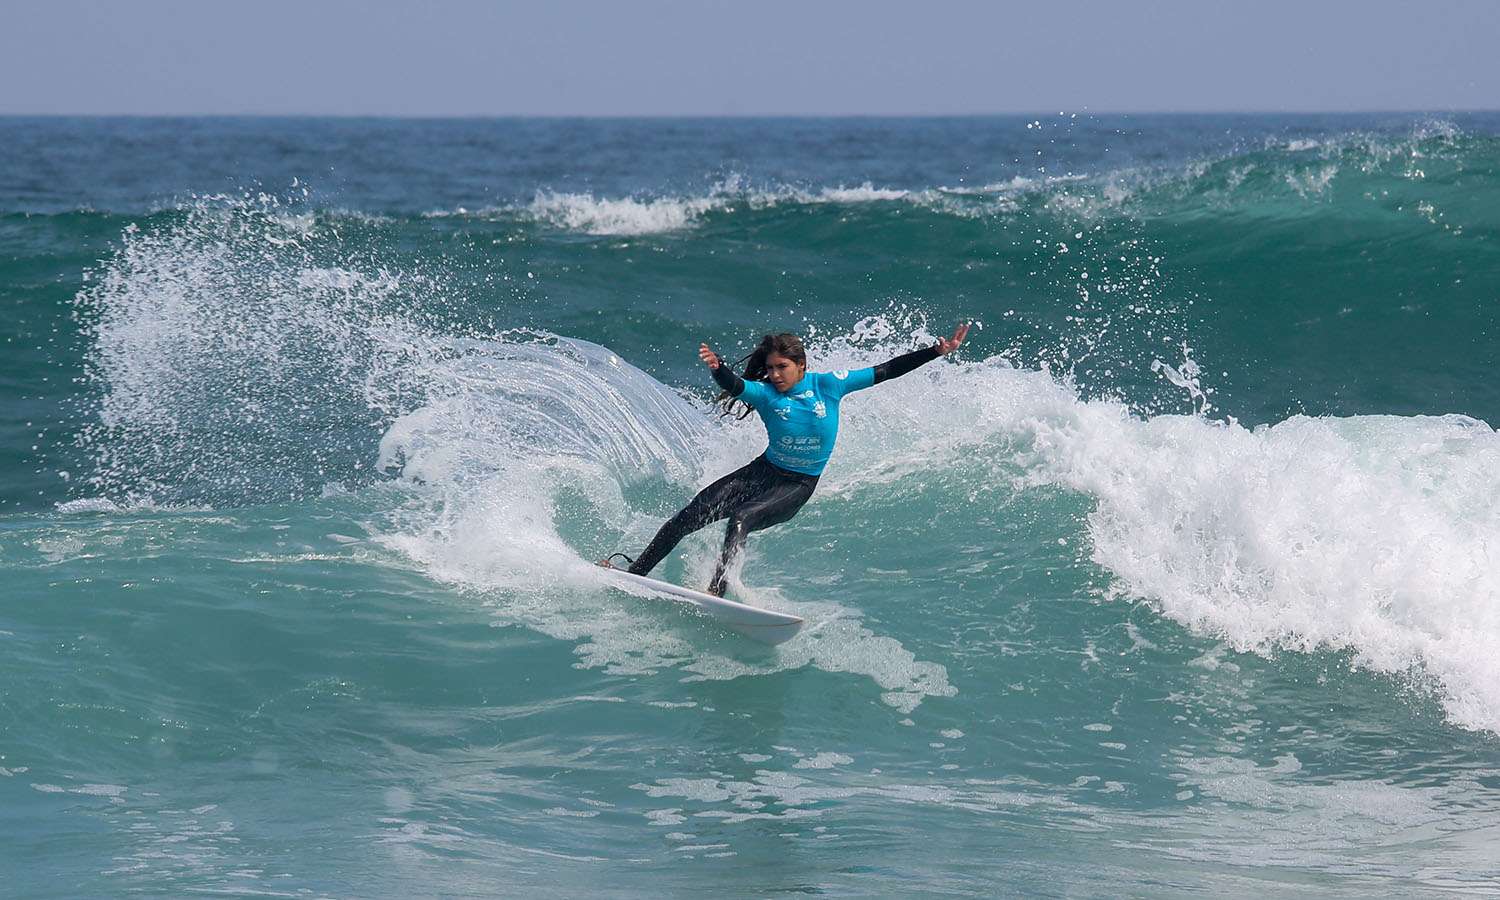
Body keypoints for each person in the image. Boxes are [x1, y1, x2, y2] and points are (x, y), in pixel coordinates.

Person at [602, 324, 969, 597]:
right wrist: (718, 369)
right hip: (763, 471)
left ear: (800, 365)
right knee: (688, 516)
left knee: (741, 518)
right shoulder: (764, 393)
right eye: (771, 368)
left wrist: (935, 352)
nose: (774, 375)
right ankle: (636, 572)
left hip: (797, 484)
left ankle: (716, 591)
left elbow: (886, 370)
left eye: (782, 367)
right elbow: (736, 385)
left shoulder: (830, 384)